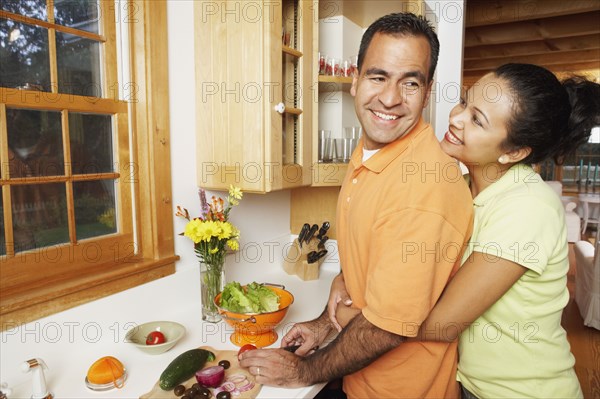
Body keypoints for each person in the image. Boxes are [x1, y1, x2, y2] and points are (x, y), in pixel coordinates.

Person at [239, 12, 474, 398]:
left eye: (410, 82)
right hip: (360, 378)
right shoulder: (371, 152)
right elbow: (370, 271)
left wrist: (304, 371)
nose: (390, 98)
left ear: (428, 92)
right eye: (378, 76)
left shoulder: (426, 187)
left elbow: (388, 326)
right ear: (355, 79)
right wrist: (323, 325)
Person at [330, 63, 600, 398]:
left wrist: (357, 315)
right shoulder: (459, 188)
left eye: (477, 120)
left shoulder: (528, 207)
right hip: (468, 383)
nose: (456, 119)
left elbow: (444, 324)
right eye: (463, 103)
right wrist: (345, 278)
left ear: (514, 152)